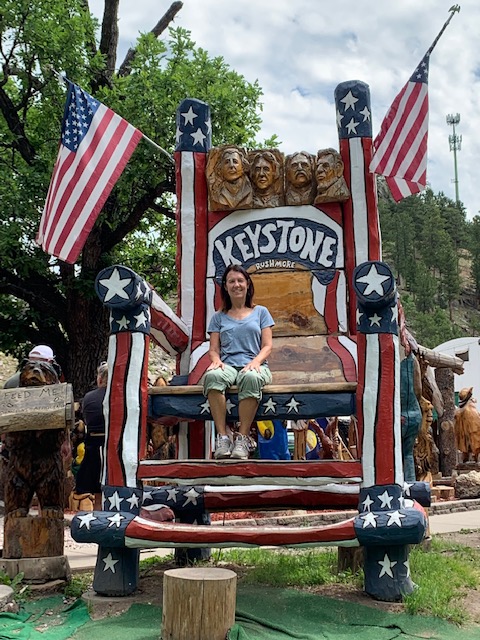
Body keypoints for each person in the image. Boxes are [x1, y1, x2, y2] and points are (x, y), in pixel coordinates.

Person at [203, 264, 274, 460]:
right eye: (231, 281)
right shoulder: (218, 317)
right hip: (228, 366)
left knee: (251, 377)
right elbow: (213, 349)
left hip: (255, 365)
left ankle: (242, 438)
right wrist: (216, 361)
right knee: (212, 376)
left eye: (240, 280)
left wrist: (256, 362)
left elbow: (267, 346)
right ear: (225, 286)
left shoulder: (261, 312)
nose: (236, 285)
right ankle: (223, 437)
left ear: (247, 284)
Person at [74, 362, 108, 509]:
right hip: (114, 447)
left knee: (94, 483)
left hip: (93, 447)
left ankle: (97, 511)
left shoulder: (88, 397)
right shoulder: (120, 396)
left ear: (99, 379)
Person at [207, 146, 253, 211]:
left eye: (235, 162)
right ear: (220, 169)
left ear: (243, 167)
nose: (231, 165)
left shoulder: (252, 190)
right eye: (227, 162)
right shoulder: (216, 193)